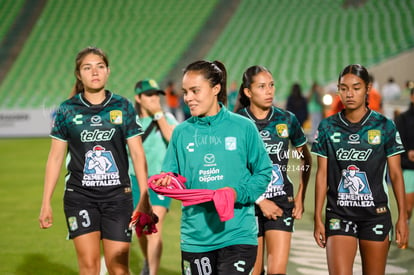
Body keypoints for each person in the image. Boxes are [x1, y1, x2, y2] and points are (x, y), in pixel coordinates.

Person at [38, 47, 153, 275]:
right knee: (89, 267)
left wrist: (145, 196)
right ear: (79, 74)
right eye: (87, 67)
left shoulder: (123, 106)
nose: (95, 72)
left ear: (108, 71)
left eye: (100, 66)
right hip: (80, 197)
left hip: (118, 198)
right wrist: (45, 202)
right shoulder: (67, 110)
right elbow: (55, 157)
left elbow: (138, 154)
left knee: (119, 269)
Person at [152, 60, 273, 274]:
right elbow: (170, 174)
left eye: (195, 91)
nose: (187, 97)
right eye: (185, 91)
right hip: (196, 238)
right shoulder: (181, 132)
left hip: (237, 234)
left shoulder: (243, 127)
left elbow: (263, 172)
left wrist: (237, 193)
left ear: (216, 89)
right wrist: (166, 180)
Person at [311, 64, 408, 275]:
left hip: (375, 215)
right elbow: (321, 175)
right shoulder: (327, 127)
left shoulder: (385, 126)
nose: (349, 94)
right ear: (338, 90)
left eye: (356, 88)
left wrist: (401, 217)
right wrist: (318, 217)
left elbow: (396, 174)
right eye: (343, 88)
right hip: (339, 214)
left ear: (367, 89)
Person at [237, 65, 312, 275]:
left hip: (281, 201)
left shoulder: (287, 119)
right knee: (255, 271)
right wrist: (260, 200)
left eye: (271, 85)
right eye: (262, 86)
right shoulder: (237, 122)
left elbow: (304, 158)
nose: (269, 91)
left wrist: (300, 194)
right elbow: (233, 170)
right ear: (248, 92)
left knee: (277, 272)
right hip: (248, 204)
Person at [130, 79, 179, 275]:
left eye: (156, 94)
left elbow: (172, 138)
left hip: (160, 181)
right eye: (149, 95)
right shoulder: (130, 122)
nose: (153, 98)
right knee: (140, 228)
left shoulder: (166, 117)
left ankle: (152, 273)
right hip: (134, 180)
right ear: (138, 98)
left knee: (153, 226)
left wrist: (158, 115)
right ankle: (148, 263)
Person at [395, 87, 414, 247]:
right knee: (407, 207)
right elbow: (398, 144)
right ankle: (404, 229)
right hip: (409, 169)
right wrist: (408, 152)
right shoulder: (402, 119)